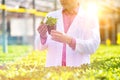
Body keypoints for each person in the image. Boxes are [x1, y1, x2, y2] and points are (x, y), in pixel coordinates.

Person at [35, 0, 100, 67]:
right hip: (53, 71)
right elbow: (39, 47)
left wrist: (70, 41)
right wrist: (43, 36)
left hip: (78, 72)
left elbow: (92, 46)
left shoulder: (89, 18)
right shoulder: (51, 16)